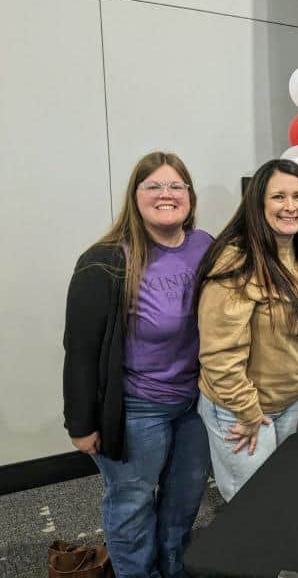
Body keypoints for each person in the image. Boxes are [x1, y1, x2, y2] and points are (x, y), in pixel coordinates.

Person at [63, 151, 213, 577]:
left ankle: (173, 568)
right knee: (131, 504)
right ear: (135, 196)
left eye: (175, 186)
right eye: (154, 186)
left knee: (184, 501)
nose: (166, 194)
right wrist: (81, 423)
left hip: (193, 404)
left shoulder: (205, 246)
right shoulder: (105, 260)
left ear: (189, 195)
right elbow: (80, 349)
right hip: (135, 409)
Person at [196, 158, 298, 501]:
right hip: (241, 407)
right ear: (258, 204)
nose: (290, 207)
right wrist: (247, 411)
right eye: (279, 197)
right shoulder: (237, 261)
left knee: (277, 497)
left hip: (285, 402)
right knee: (253, 507)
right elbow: (219, 355)